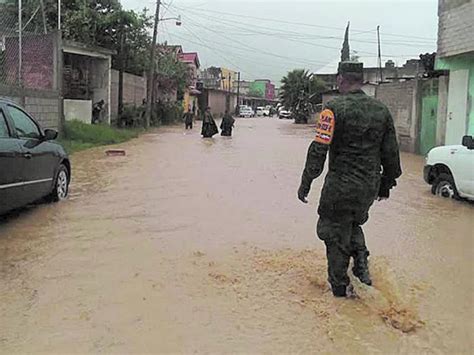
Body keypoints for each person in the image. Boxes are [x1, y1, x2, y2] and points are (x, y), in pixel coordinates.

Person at [297, 62, 402, 298]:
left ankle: (340, 290)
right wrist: (385, 185)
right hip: (368, 187)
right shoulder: (381, 110)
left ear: (341, 79)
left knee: (333, 232)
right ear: (362, 80)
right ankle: (361, 264)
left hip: (340, 186)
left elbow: (319, 149)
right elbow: (392, 155)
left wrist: (306, 183)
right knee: (353, 223)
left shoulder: (332, 109)